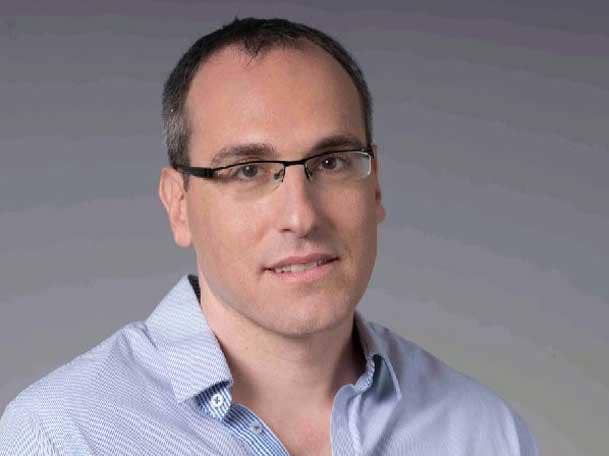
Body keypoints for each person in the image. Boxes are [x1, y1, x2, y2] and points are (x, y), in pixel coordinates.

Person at [0, 17, 538, 456]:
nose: (301, 216)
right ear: (178, 204)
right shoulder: (62, 436)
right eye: (248, 171)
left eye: (331, 162)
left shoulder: (482, 432)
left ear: (375, 185)